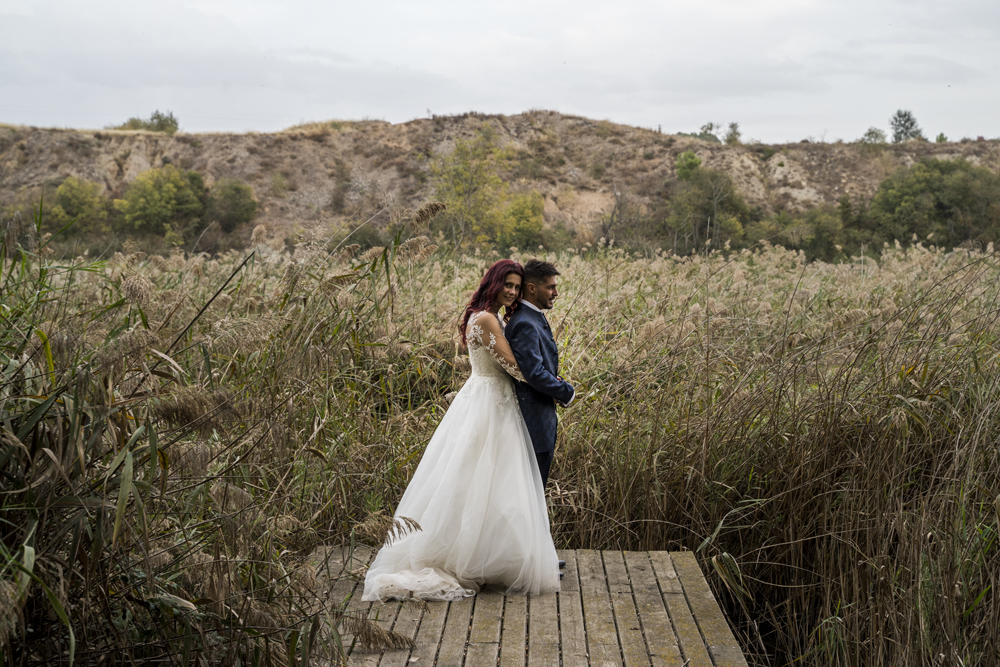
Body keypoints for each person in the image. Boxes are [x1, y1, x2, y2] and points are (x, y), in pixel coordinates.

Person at [362, 259, 560, 602]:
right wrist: (552, 381)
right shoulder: (486, 319)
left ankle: (487, 553)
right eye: (507, 285)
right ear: (493, 283)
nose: (512, 291)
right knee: (487, 478)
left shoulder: (482, 316)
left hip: (481, 396)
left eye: (516, 286)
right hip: (490, 401)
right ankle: (474, 558)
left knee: (478, 480)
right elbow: (514, 367)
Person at [505, 260, 575, 489]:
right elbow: (534, 372)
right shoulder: (525, 322)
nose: (556, 292)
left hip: (540, 416)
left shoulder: (533, 317)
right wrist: (566, 392)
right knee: (530, 490)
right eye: (551, 287)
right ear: (532, 288)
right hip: (532, 421)